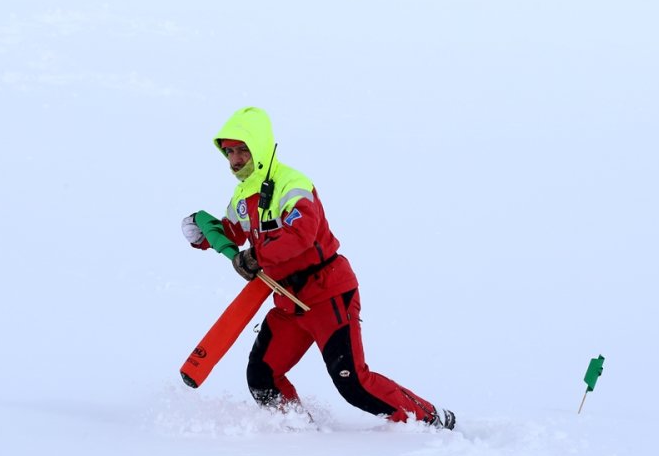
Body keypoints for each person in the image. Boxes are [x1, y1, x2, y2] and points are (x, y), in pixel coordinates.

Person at [182, 107, 455, 430]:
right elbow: (233, 232)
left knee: (352, 383)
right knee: (262, 376)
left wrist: (257, 256)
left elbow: (302, 233)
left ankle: (431, 421)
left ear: (260, 148)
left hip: (328, 294)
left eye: (243, 150)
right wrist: (203, 234)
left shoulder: (291, 184)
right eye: (229, 152)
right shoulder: (242, 196)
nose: (236, 159)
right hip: (288, 303)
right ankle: (301, 435)